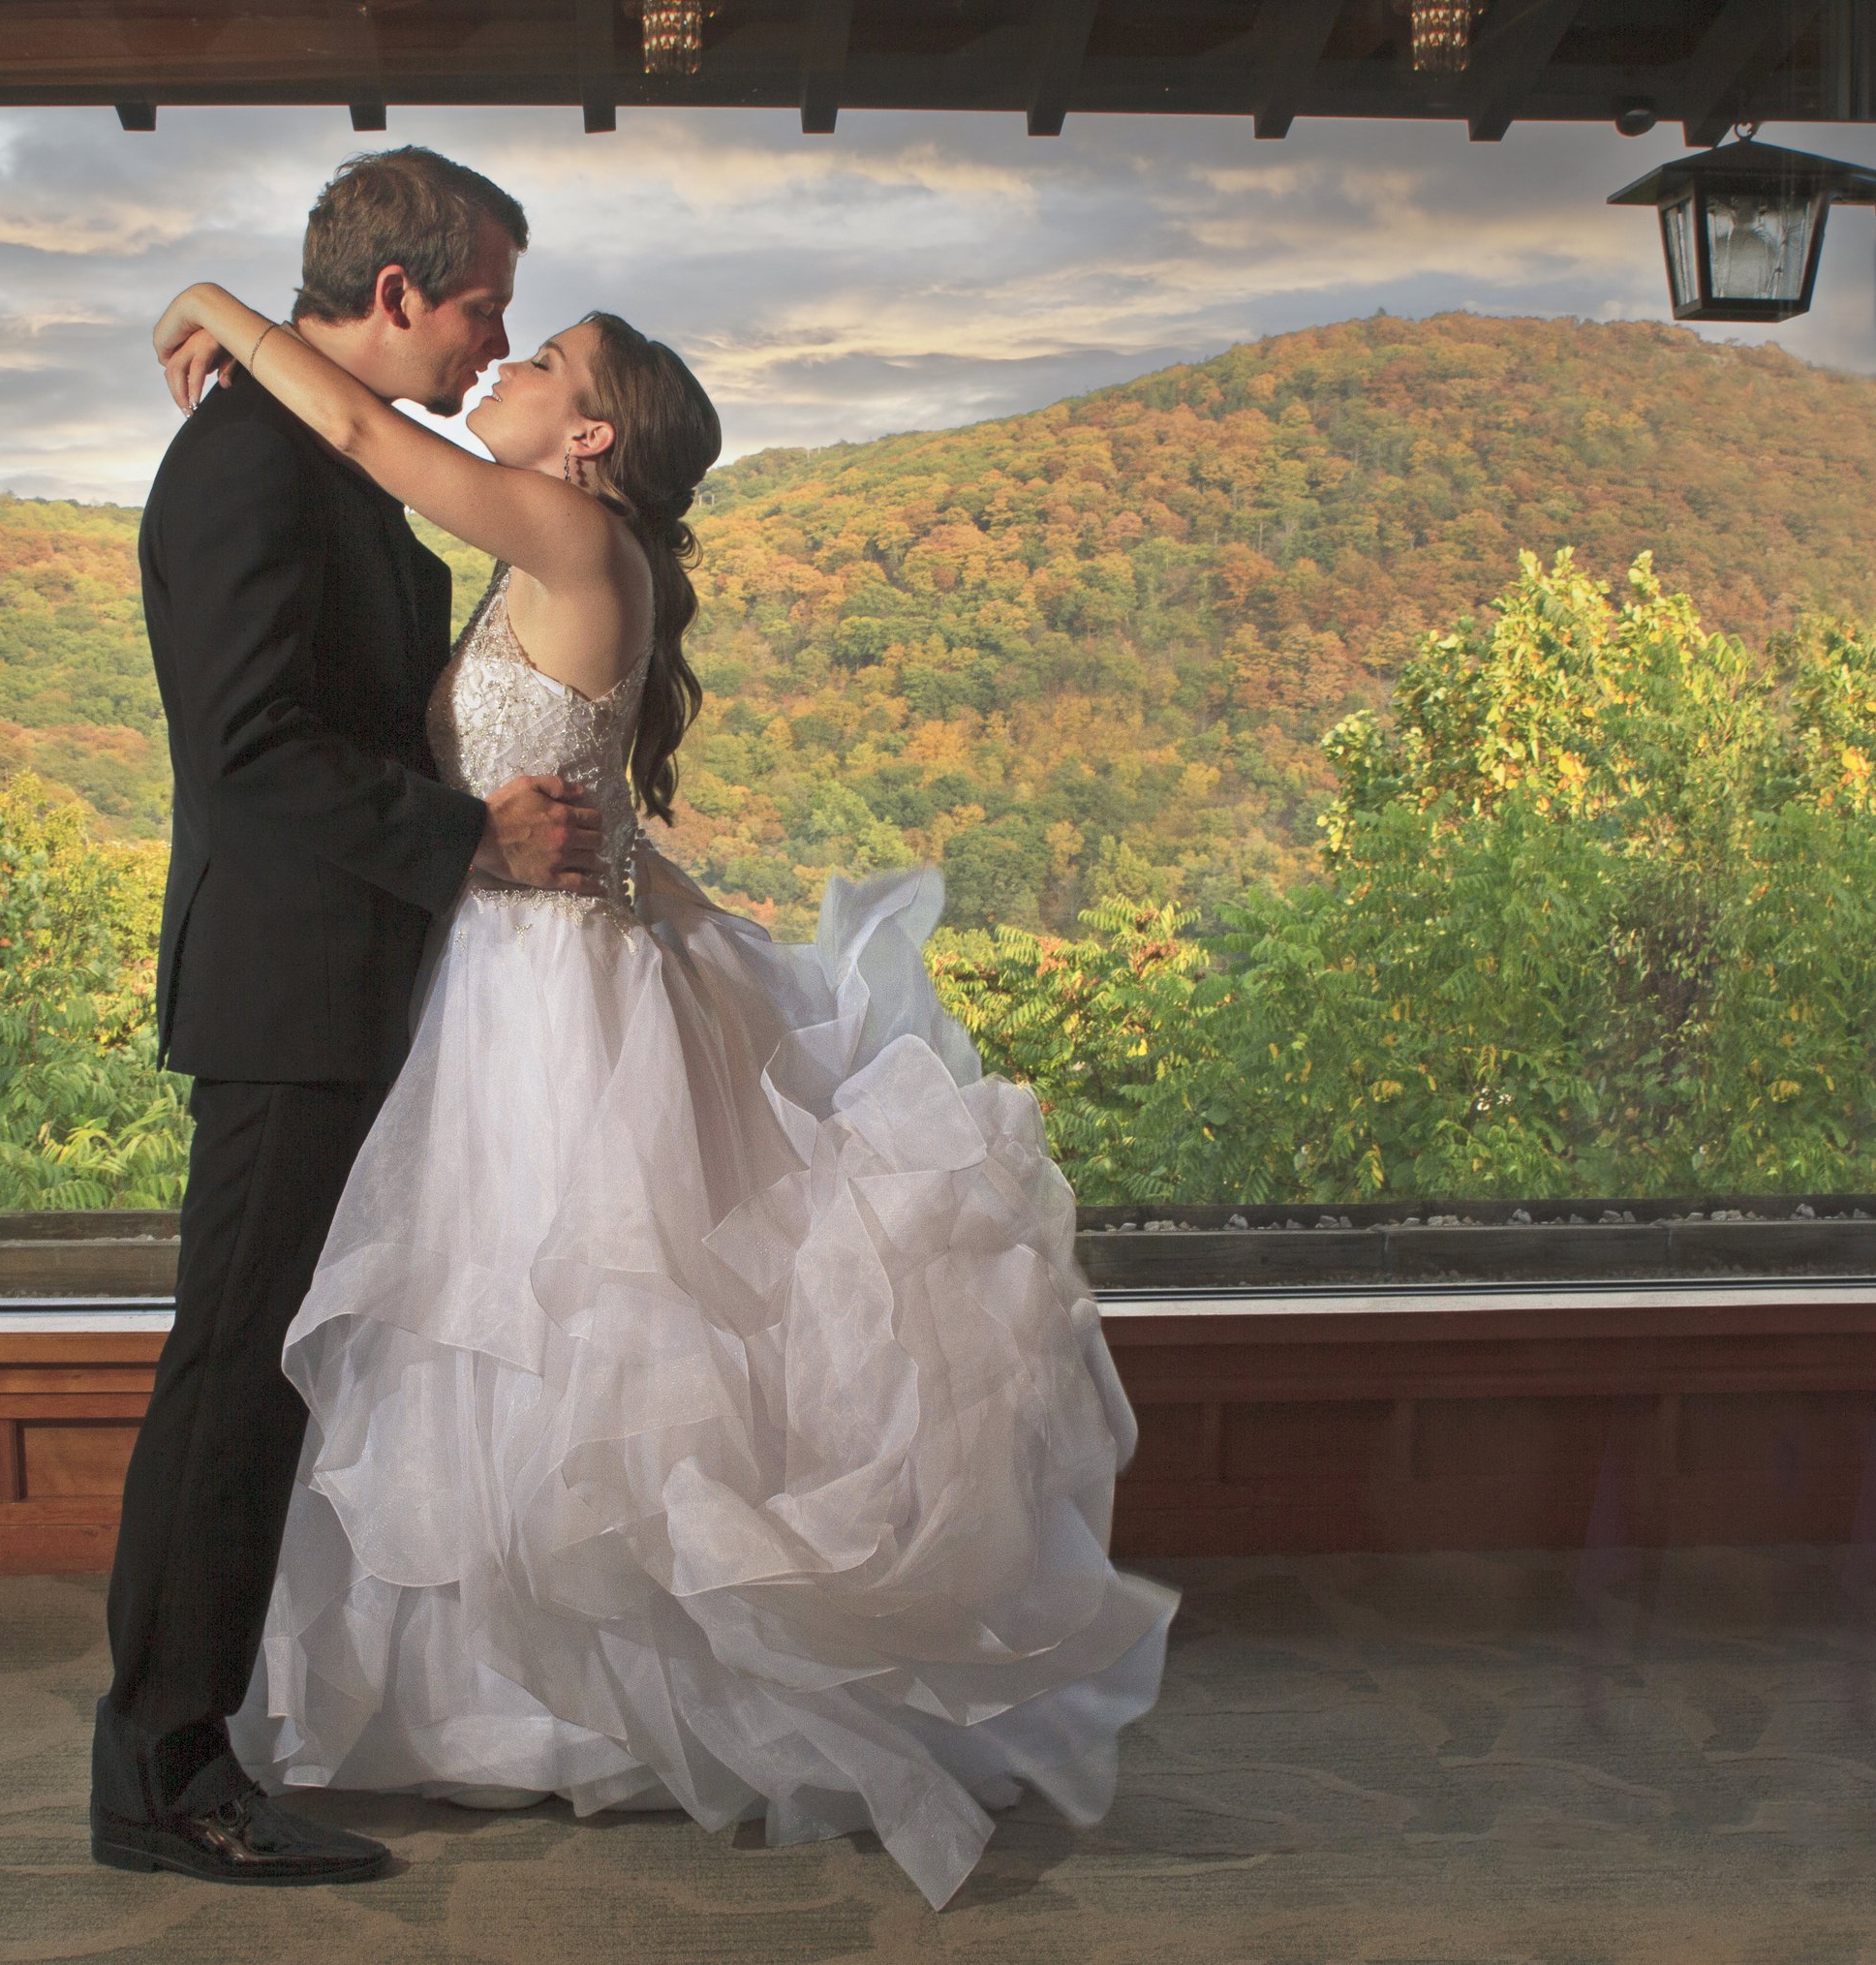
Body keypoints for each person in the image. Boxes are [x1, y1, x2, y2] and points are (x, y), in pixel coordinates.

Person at [143, 265, 1177, 1912]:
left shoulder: (565, 539)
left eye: (539, 358)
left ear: (593, 431)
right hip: (508, 972)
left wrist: (219, 302)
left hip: (551, 997)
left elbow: (348, 414)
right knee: (509, 1355)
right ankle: (521, 1700)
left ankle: (584, 1698)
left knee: (569, 1343)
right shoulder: (551, 550)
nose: (508, 362)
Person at [90, 147, 607, 1889]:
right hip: (286, 994)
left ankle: (214, 1737)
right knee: (231, 1379)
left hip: (357, 988)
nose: (493, 339)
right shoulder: (243, 465)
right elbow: (249, 761)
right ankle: (162, 1776)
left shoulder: (322, 453)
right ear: (397, 296)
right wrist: (474, 836)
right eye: (483, 305)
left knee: (274, 1383)